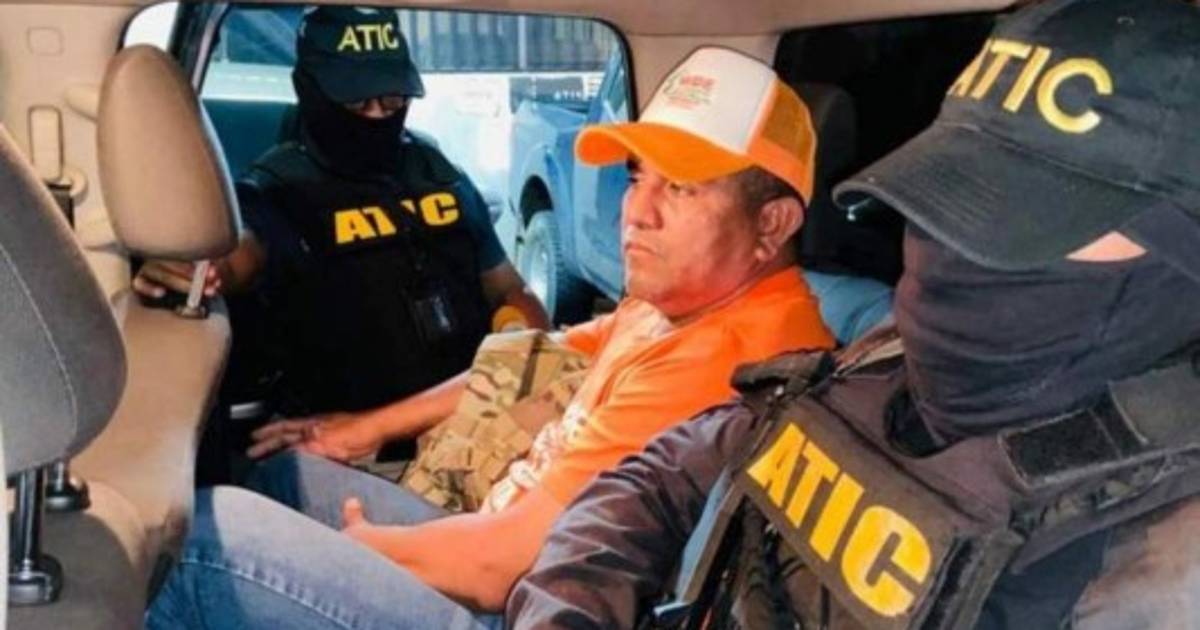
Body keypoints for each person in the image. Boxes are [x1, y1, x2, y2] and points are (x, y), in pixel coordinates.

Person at [506, 0, 1200, 628]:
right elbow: (670, 471)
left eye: (1018, 218)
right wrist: (568, 607)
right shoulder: (892, 354)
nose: (944, 250)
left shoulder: (1171, 567)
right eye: (941, 201)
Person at [146, 46, 838, 629]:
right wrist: (361, 430)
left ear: (772, 224)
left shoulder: (737, 358)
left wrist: (367, 549)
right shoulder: (671, 307)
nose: (637, 212)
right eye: (637, 177)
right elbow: (543, 352)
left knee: (205, 546)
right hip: (505, 529)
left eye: (681, 188)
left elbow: (502, 567)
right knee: (283, 474)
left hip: (527, 604)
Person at [134, 6, 549, 420]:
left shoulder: (435, 170)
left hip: (470, 416)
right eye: (356, 102)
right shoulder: (281, 190)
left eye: (393, 99)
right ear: (311, 92)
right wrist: (196, 270)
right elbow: (239, 254)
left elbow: (509, 289)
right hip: (343, 437)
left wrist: (515, 354)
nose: (378, 115)